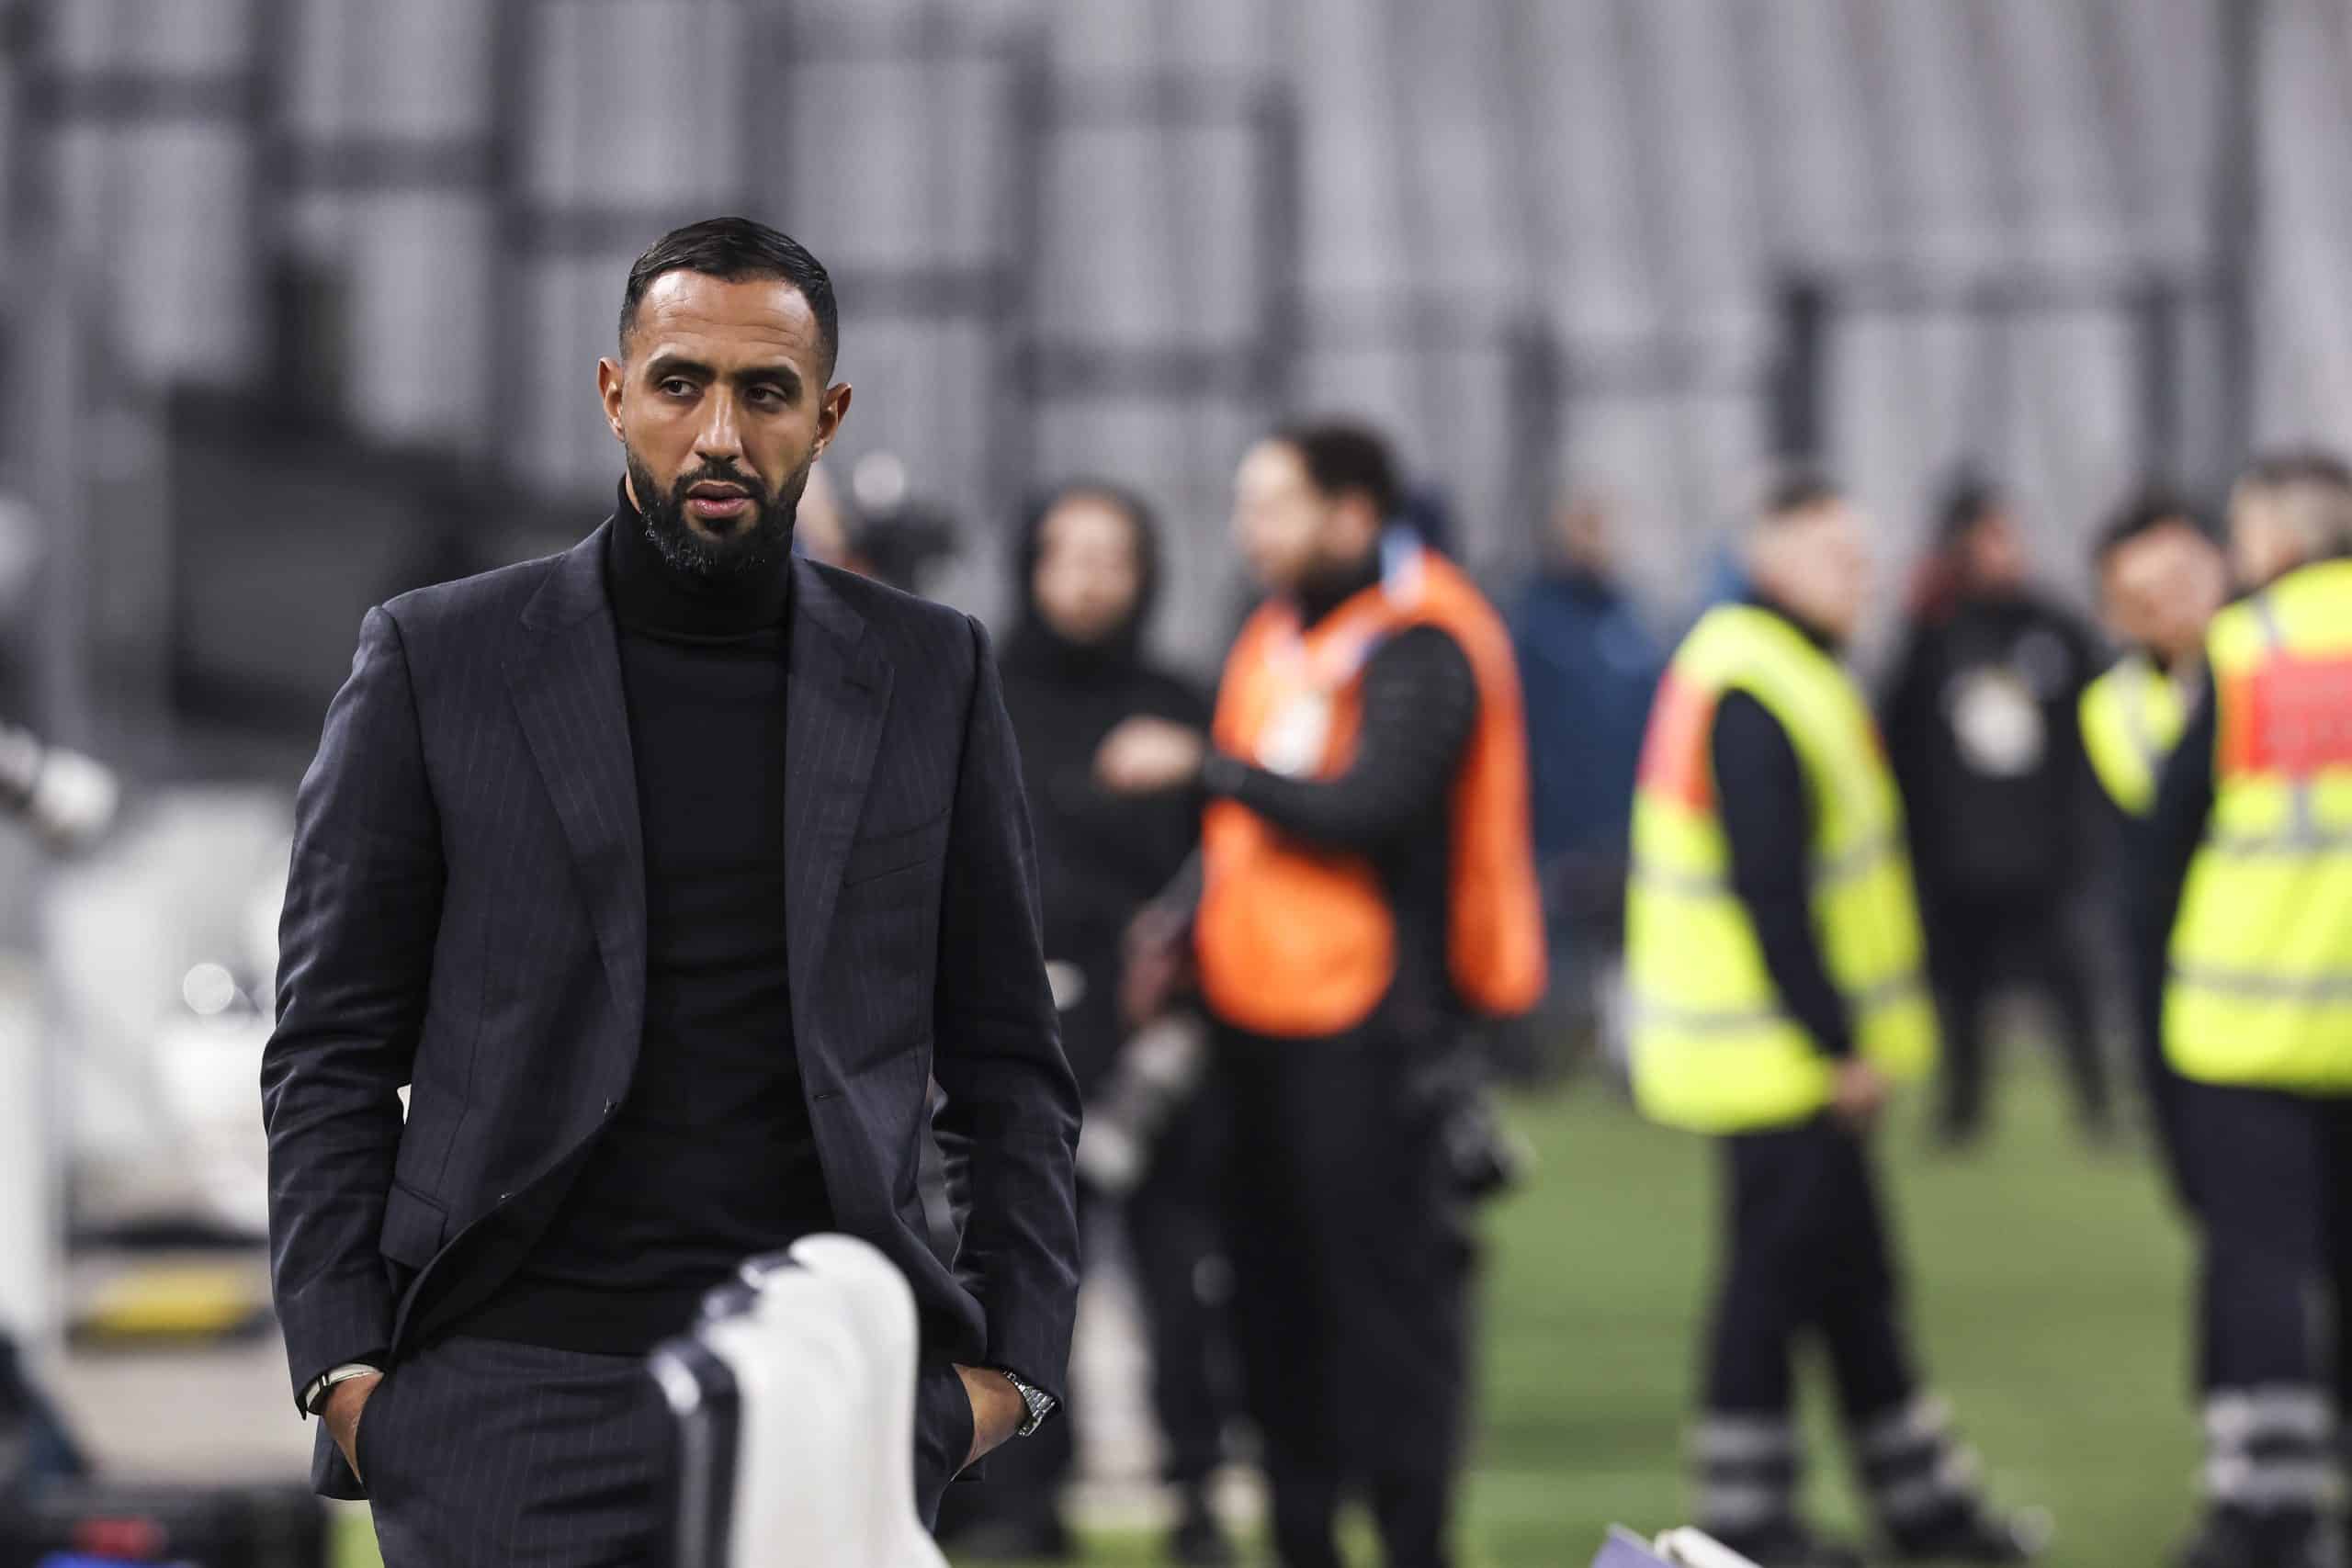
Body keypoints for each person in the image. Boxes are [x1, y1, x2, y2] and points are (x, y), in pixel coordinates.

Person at [260, 217, 1081, 1565]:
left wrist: (1007, 1376)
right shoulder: (436, 658)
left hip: (822, 1389)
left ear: (827, 415)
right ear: (613, 393)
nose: (717, 433)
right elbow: (331, 1044)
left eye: (763, 394)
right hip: (499, 1396)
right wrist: (350, 1371)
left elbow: (1009, 1057)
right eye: (679, 382)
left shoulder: (932, 673)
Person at [1101, 422, 1545, 1568]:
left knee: (1388, 1326)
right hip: (1255, 1036)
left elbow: (1374, 803)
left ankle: (1411, 1547)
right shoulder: (1274, 632)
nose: (1247, 530)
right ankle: (1302, 1546)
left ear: (1351, 515)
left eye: (1272, 506)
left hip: (1374, 1035)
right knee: (1267, 1316)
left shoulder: (1424, 638)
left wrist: (1211, 769)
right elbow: (1242, 843)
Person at [1626, 472, 2042, 1568]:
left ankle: (1928, 1518)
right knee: (1770, 1286)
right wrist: (1835, 1041)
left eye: (1860, 559)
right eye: (1832, 557)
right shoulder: (1756, 681)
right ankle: (1746, 1519)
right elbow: (1771, 885)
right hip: (1773, 1053)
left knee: (1854, 1286)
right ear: (1767, 559)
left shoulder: (1779, 667)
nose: (1855, 578)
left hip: (1777, 1049)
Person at [944, 481, 1234, 1564]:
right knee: (1020, 1290)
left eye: (1114, 556)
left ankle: (1196, 1496)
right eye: (1069, 554)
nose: (1090, 578)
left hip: (1159, 1051)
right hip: (1022, 1047)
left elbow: (1218, 878)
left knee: (1180, 1280)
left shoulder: (1178, 706)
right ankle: (1022, 1504)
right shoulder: (980, 693)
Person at [2143, 452, 2352, 1568]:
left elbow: (2158, 849)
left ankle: (2270, 1508)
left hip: (2247, 1030)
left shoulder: (2246, 652)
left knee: (2261, 1270)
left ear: (2273, 537)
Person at [1881, 474, 2110, 1146]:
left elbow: (2098, 727)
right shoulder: (1935, 633)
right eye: (1993, 535)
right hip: (1957, 853)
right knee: (1959, 988)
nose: (2008, 549)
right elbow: (1902, 740)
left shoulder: (2054, 628)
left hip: (2044, 849)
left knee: (2070, 979)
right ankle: (1960, 1111)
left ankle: (2096, 1106)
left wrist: (2081, 823)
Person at [2081, 493, 2228, 1207]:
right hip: (2190, 979)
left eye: (2183, 579)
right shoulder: (2116, 709)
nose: (2171, 605)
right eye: (2143, 593)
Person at [1507, 494, 1663, 1057]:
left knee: (1625, 943)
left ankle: (1622, 1051)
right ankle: (1551, 1047)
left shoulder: (1628, 616)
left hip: (1630, 812)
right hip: (1560, 820)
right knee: (1562, 936)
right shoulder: (1536, 623)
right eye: (1583, 527)